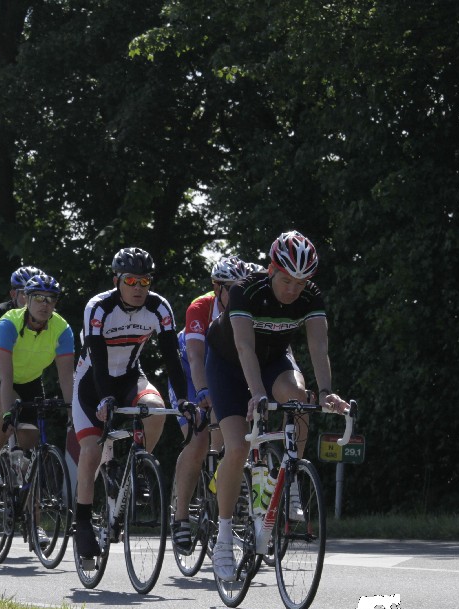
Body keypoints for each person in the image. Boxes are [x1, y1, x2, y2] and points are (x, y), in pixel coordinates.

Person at [204, 231, 349, 582]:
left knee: (299, 398)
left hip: (273, 361)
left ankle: (289, 477)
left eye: (301, 283)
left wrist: (326, 391)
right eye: (286, 281)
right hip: (228, 364)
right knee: (237, 447)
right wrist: (256, 394)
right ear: (271, 270)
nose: (293, 290)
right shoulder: (246, 290)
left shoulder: (310, 296)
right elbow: (244, 347)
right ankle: (223, 537)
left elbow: (318, 346)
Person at [71, 247, 190, 569]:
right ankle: (82, 522)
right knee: (91, 450)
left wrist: (184, 399)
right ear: (117, 281)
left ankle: (136, 470)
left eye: (145, 281)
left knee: (155, 409)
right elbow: (98, 359)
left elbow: (172, 358)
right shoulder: (99, 307)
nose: (139, 288)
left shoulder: (159, 307)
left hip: (130, 376)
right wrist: (105, 399)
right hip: (92, 380)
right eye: (131, 281)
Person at [168, 256, 247, 554]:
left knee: (233, 440)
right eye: (232, 289)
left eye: (242, 288)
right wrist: (202, 392)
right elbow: (196, 357)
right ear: (217, 288)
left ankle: (220, 500)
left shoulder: (247, 308)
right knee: (199, 439)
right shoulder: (200, 308)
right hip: (190, 373)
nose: (238, 294)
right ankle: (181, 517)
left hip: (224, 373)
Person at [0, 273, 76, 489]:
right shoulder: (8, 323)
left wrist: (72, 413)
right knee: (8, 412)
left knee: (31, 436)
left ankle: (13, 459)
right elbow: (6, 378)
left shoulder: (62, 330)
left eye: (51, 299)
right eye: (39, 298)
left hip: (30, 377)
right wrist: (7, 414)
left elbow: (66, 377)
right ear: (27, 299)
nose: (45, 304)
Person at [0, 266, 45, 334]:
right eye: (25, 293)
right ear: (13, 294)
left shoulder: (50, 315)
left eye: (38, 294)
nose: (32, 299)